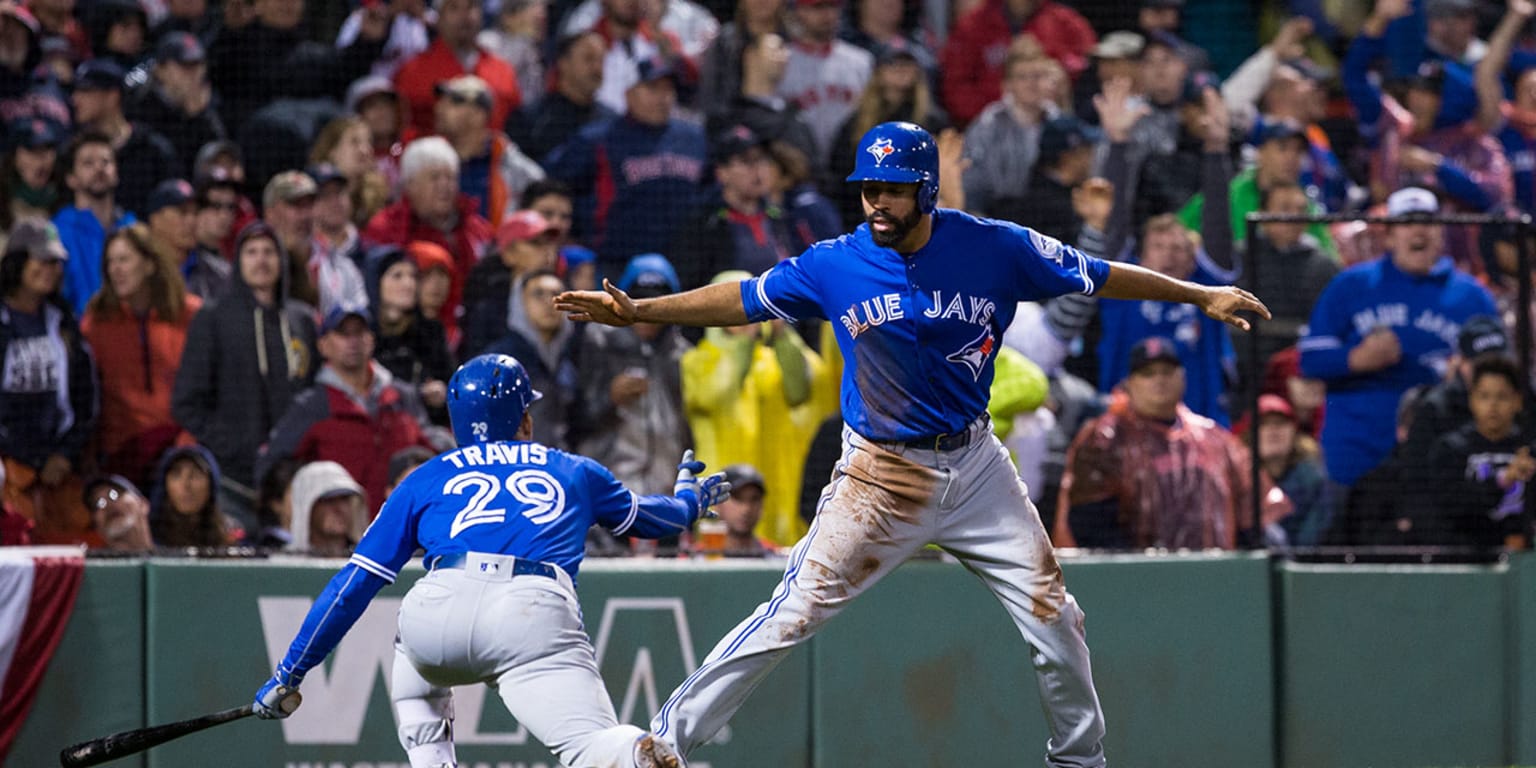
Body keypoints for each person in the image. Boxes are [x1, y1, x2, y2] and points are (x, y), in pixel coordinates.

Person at [553, 121, 1270, 765]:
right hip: (880, 473)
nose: (877, 204)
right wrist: (641, 310)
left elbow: (1100, 275)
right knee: (790, 613)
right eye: (869, 190)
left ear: (925, 189)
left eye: (892, 191)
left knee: (1057, 615)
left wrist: (1199, 295)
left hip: (977, 466)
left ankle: (1080, 762)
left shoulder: (994, 246)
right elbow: (742, 300)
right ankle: (660, 748)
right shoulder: (835, 261)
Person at [251, 353, 728, 768]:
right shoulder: (573, 469)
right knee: (594, 747)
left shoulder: (425, 477)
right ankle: (630, 755)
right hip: (532, 614)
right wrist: (688, 502)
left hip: (437, 611)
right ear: (524, 419)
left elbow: (351, 588)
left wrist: (288, 674)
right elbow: (649, 520)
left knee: (411, 658)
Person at [1299, 187, 1497, 516]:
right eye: (1407, 223)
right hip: (1356, 449)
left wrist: (1466, 373)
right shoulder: (1351, 285)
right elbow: (1310, 359)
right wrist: (1357, 359)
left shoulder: (1472, 296)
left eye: (1428, 223)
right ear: (1389, 236)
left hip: (1439, 449)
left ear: (1441, 234)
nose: (1418, 231)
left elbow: (1499, 368)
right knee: (1348, 551)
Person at [1056, 337, 1289, 549]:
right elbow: (1089, 522)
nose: (1159, 380)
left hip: (1215, 577)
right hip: (1135, 581)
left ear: (1182, 377)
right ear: (1129, 383)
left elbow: (1253, 510)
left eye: (1167, 371)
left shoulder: (1213, 437)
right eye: (1148, 373)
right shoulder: (1105, 437)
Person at [172, 222, 318, 532]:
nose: (261, 260)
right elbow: (186, 402)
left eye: (269, 252)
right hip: (231, 481)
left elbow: (313, 393)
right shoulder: (212, 318)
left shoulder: (302, 320)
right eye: (251, 252)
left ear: (282, 260)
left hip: (288, 481)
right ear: (238, 261)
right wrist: (233, 446)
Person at [255, 306, 436, 516]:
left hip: (406, 530)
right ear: (323, 345)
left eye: (359, 332)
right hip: (339, 539)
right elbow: (270, 470)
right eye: (343, 333)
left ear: (371, 339)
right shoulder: (310, 407)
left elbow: (433, 448)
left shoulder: (402, 397)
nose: (353, 341)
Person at [80, 223, 202, 489]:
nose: (116, 269)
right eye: (110, 262)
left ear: (149, 265)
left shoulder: (191, 315)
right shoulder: (96, 322)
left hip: (183, 454)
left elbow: (209, 389)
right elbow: (85, 397)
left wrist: (188, 445)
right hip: (120, 457)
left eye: (124, 259)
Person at [0, 218, 98, 546]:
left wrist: (64, 455)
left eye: (56, 262)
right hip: (7, 468)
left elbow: (86, 401)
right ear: (17, 262)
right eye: (42, 259)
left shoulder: (64, 322)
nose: (51, 269)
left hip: (59, 473)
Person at [1417, 355, 1534, 550]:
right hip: (1466, 558)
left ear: (1517, 401)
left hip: (1524, 561)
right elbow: (1450, 505)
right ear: (1472, 400)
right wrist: (1503, 480)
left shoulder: (1529, 450)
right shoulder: (1450, 449)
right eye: (1484, 396)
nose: (1493, 405)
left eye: (1502, 396)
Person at [148, 444, 235, 548]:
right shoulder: (148, 536)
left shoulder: (230, 535)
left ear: (211, 485)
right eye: (176, 475)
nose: (185, 485)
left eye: (195, 474)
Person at [283, 459, 371, 555]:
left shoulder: (371, 563)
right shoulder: (280, 564)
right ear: (306, 507)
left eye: (344, 499)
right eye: (329, 500)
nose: (340, 508)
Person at [83, 473, 154, 553]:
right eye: (98, 503)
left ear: (143, 504)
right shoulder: (90, 563)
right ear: (96, 527)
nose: (108, 504)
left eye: (114, 494)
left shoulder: (169, 559)